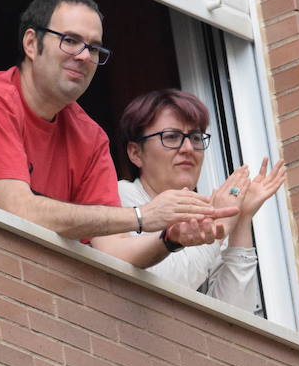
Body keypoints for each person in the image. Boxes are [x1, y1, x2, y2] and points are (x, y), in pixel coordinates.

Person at [0, 0, 236, 267]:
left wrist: (168, 240)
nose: (84, 56)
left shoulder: (90, 137)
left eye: (94, 48)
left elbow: (112, 251)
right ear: (31, 43)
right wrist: (142, 216)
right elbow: (18, 210)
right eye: (70, 41)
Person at [118, 89, 287, 310]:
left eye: (196, 138)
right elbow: (164, 285)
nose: (188, 148)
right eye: (171, 137)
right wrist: (218, 225)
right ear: (135, 153)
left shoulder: (210, 212)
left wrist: (241, 219)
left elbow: (235, 318)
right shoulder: (121, 197)